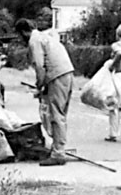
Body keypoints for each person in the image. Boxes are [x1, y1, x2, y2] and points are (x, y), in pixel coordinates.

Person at [15, 18, 74, 166]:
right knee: (60, 113)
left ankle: (58, 153)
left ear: (23, 32)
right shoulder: (45, 37)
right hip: (67, 73)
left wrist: (39, 85)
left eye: (19, 35)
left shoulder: (34, 41)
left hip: (56, 75)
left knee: (56, 115)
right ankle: (59, 146)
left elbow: (40, 66)